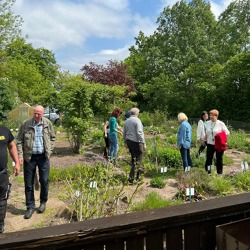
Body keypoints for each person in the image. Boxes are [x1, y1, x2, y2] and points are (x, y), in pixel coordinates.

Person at [16, 105, 56, 219]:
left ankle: (43, 202)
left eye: (39, 113)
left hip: (43, 157)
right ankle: (30, 207)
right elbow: (19, 140)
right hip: (30, 157)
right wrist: (20, 155)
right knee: (28, 183)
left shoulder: (47, 123)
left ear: (43, 114)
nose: (36, 115)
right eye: (35, 113)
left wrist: (50, 150)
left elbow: (53, 138)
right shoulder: (26, 124)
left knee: (44, 180)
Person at [0, 125, 20, 233]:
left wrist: (16, 162)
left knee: (2, 200)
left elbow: (12, 146)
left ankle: (0, 223)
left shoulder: (4, 130)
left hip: (2, 174)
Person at [123, 108, 146, 183]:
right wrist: (143, 143)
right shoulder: (137, 120)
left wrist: (125, 142)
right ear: (137, 113)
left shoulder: (127, 121)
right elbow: (139, 133)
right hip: (136, 142)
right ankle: (137, 177)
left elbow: (124, 132)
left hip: (129, 141)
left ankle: (131, 177)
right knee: (139, 159)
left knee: (133, 159)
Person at [203, 109, 229, 175]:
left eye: (212, 115)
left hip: (218, 145)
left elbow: (227, 133)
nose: (211, 117)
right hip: (210, 144)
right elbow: (207, 133)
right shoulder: (208, 123)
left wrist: (223, 140)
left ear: (216, 116)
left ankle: (219, 173)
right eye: (210, 115)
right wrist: (204, 140)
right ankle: (208, 172)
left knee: (219, 159)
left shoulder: (220, 123)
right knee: (209, 159)